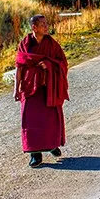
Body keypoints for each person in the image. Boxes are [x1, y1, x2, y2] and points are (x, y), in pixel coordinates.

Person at [14, 14, 69, 167]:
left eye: (46, 23)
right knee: (30, 121)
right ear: (34, 27)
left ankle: (52, 145)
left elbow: (63, 64)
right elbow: (19, 66)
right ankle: (35, 154)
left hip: (48, 87)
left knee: (50, 119)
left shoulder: (52, 44)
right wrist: (16, 89)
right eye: (42, 24)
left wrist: (48, 65)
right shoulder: (25, 44)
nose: (46, 26)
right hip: (29, 87)